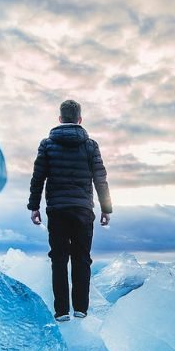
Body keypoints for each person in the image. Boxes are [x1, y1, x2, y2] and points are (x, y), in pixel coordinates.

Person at [28, 99, 113, 322]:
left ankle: (62, 311)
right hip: (83, 210)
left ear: (60, 119)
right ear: (80, 119)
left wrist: (34, 206)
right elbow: (100, 179)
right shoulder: (90, 145)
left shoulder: (47, 144)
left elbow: (38, 178)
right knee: (82, 259)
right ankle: (81, 309)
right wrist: (106, 209)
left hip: (57, 210)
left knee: (59, 259)